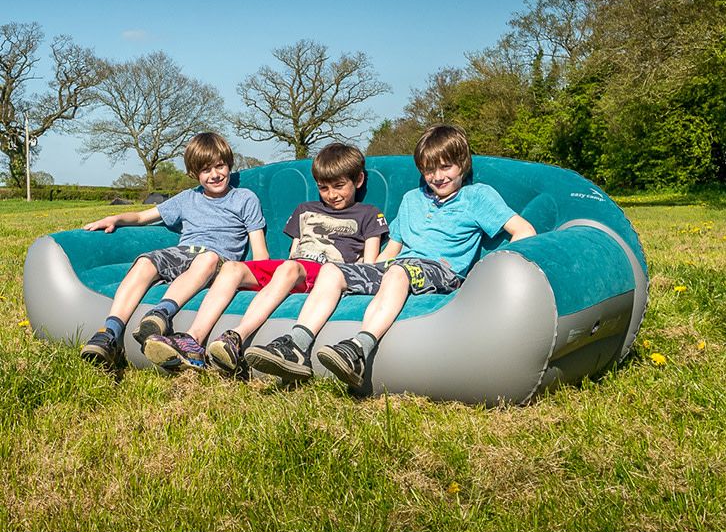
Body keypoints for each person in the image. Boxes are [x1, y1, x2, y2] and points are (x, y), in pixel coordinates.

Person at [245, 124, 536, 390]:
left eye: (445, 167)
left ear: (463, 164)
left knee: (399, 272)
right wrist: (362, 272)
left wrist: (487, 271)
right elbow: (392, 249)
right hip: (398, 266)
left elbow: (524, 230)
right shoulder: (412, 199)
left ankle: (358, 350)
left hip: (441, 271)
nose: (437, 177)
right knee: (333, 272)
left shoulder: (477, 197)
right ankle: (296, 346)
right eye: (429, 170)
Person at [143, 142, 387, 375]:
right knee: (232, 268)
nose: (331, 194)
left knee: (289, 268)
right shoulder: (306, 209)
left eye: (339, 186)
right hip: (295, 268)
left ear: (358, 180)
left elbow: (368, 264)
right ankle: (193, 341)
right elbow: (295, 251)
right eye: (324, 187)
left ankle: (235, 338)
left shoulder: (368, 214)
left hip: (325, 274)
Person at [80, 132, 267, 370]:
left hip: (217, 261)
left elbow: (260, 252)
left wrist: (255, 277)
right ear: (194, 174)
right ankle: (110, 334)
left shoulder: (244, 198)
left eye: (219, 166)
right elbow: (141, 216)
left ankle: (161, 315)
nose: (215, 175)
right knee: (145, 262)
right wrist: (115, 218)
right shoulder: (186, 198)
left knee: (206, 259)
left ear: (229, 164)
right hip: (183, 253)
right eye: (206, 170)